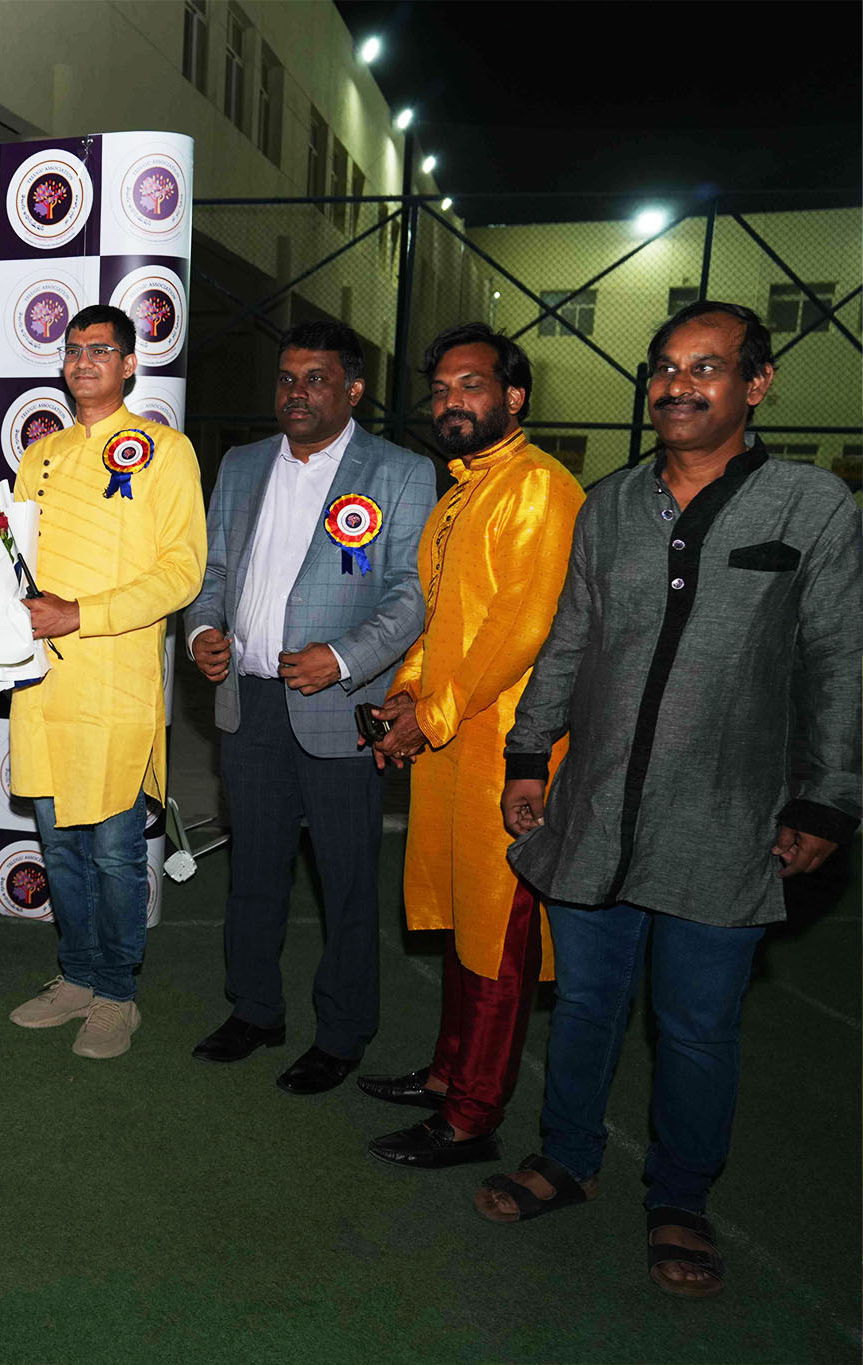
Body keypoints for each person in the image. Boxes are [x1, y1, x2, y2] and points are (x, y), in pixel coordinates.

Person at [479, 301, 861, 1299]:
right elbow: (568, 637)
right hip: (596, 808)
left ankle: (680, 1198)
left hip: (726, 817)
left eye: (705, 367)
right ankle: (566, 1157)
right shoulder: (609, 503)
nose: (677, 386)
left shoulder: (812, 506)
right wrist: (528, 753)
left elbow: (838, 659)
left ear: (756, 384)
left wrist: (825, 800)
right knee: (585, 1006)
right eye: (663, 367)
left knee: (694, 1025)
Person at [181, 320, 434, 1093]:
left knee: (346, 881)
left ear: (353, 389)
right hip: (250, 702)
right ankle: (256, 1008)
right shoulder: (243, 463)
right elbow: (212, 570)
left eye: (316, 379)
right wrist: (203, 630)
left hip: (339, 705)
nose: (297, 392)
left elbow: (412, 593)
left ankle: (343, 1031)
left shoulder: (399, 471)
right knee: (254, 870)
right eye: (288, 378)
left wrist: (345, 658)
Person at [354, 325, 583, 1168]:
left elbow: (518, 630)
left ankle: (473, 1117)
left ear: (514, 397)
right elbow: (441, 614)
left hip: (510, 751)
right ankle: (450, 1074)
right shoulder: (462, 492)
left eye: (471, 385)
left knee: (496, 929)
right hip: (452, 737)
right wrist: (406, 692)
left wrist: (433, 712)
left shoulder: (539, 487)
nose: (451, 401)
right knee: (458, 913)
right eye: (441, 388)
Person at [5, 303, 206, 1059]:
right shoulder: (41, 454)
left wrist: (80, 614)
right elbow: (16, 561)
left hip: (115, 682)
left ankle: (119, 993)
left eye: (100, 349)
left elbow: (182, 572)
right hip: (41, 684)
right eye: (73, 349)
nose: (83, 361)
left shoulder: (165, 451)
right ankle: (78, 976)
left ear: (129, 364)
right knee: (59, 848)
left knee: (117, 853)